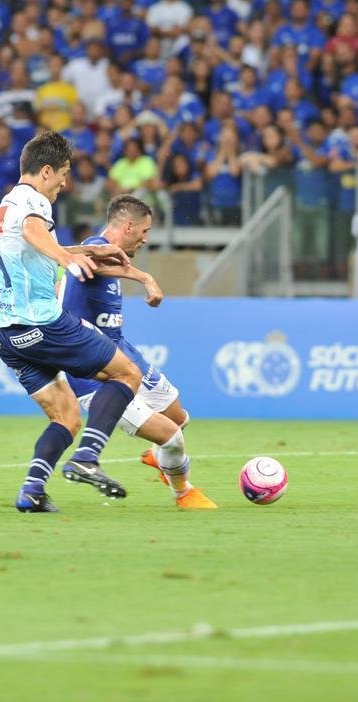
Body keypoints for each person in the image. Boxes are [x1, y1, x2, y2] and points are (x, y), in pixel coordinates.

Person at [0, 131, 142, 513]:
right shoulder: (33, 201)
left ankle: (32, 491)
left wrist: (83, 250)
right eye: (63, 174)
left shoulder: (10, 202)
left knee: (67, 415)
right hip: (40, 323)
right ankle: (88, 457)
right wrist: (65, 259)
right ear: (45, 171)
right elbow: (33, 233)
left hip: (4, 332)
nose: (64, 183)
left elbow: (30, 245)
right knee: (127, 375)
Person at [60, 195, 217, 509]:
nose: (146, 239)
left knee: (179, 416)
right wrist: (145, 278)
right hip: (93, 371)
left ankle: (159, 459)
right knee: (172, 436)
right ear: (128, 226)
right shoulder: (94, 247)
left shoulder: (115, 259)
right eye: (144, 232)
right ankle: (183, 492)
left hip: (123, 353)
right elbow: (92, 263)